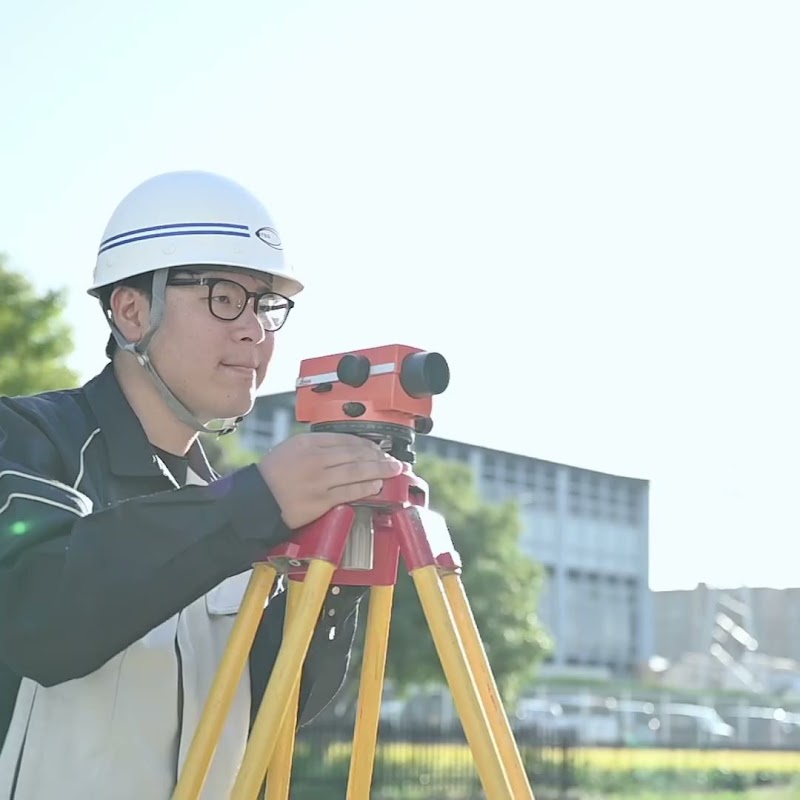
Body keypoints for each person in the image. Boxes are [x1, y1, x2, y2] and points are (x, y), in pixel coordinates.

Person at [0, 170, 403, 799]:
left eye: (267, 306)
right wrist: (256, 505)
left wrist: (336, 578)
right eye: (222, 297)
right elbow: (37, 620)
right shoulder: (28, 439)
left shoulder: (233, 506)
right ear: (131, 311)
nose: (255, 331)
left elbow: (270, 711)